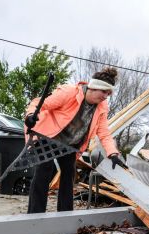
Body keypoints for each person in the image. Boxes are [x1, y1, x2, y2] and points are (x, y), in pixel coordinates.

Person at [24, 67, 126, 213]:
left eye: (108, 94)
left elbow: (103, 133)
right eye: (104, 92)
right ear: (94, 87)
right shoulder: (69, 92)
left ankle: (65, 215)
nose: (106, 96)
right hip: (49, 137)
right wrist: (31, 115)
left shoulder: (102, 107)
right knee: (44, 171)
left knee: (68, 177)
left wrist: (113, 153)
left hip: (70, 144)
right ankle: (34, 214)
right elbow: (39, 103)